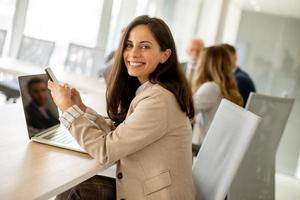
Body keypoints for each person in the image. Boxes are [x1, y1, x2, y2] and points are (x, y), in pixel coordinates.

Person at [48, 15, 195, 200]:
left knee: (74, 192)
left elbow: (106, 150)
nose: (133, 54)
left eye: (145, 46)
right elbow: (121, 134)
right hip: (147, 187)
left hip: (154, 195)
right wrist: (81, 109)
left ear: (164, 55)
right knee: (72, 190)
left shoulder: (159, 100)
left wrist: (68, 109)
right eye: (129, 45)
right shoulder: (152, 90)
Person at [191, 46, 243, 147]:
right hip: (222, 151)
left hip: (209, 151)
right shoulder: (226, 89)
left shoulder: (211, 88)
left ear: (204, 64)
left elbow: (185, 112)